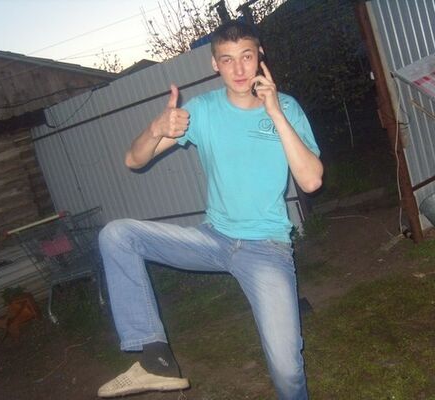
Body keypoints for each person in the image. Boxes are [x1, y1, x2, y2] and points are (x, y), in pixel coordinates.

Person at [97, 20, 323, 400]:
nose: (239, 69)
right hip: (214, 238)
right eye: (227, 59)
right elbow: (133, 160)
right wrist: (156, 128)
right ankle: (155, 359)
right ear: (214, 64)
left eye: (246, 56)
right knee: (117, 235)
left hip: (267, 249)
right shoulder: (202, 110)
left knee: (287, 370)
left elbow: (311, 180)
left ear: (260, 56)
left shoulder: (287, 108)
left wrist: (275, 114)